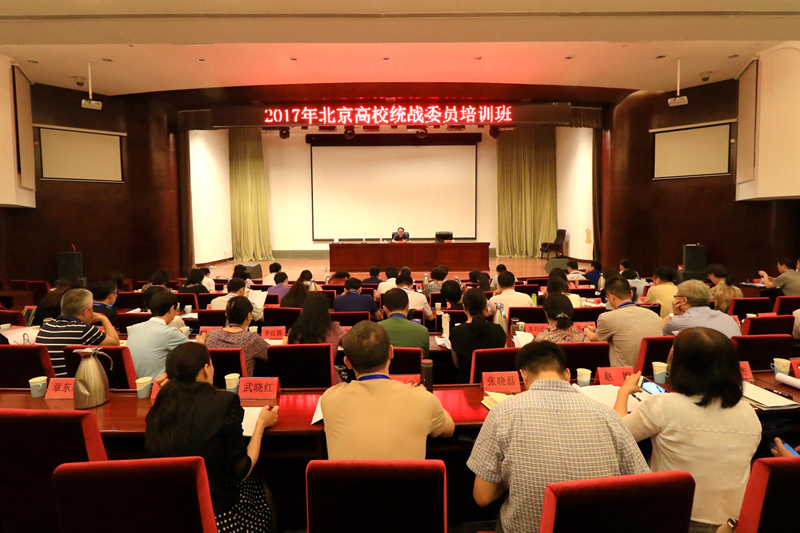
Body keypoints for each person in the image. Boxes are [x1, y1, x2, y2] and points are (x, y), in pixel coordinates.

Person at [468, 341, 649, 533]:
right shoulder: (608, 415)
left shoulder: (501, 413)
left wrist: (514, 478)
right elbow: (643, 487)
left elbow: (482, 497)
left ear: (524, 375)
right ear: (567, 374)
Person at [614, 328, 761, 533]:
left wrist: (623, 392)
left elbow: (617, 433)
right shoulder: (748, 412)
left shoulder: (663, 405)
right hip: (734, 523)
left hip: (675, 519)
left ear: (680, 366)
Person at [145, 343, 278, 532]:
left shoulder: (159, 408)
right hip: (218, 517)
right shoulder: (223, 403)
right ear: (206, 369)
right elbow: (242, 471)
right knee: (259, 484)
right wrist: (261, 424)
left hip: (172, 515)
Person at [319, 321, 454, 459]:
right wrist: (424, 394)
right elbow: (449, 429)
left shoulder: (329, 398)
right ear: (391, 352)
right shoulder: (423, 399)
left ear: (347, 362)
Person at [35, 288, 120, 376]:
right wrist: (104, 318)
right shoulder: (84, 329)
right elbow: (115, 343)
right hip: (73, 382)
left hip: (49, 382)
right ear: (86, 312)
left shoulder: (46, 327)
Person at [584, 277, 662, 367]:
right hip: (652, 371)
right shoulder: (654, 315)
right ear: (631, 293)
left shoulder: (606, 317)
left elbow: (594, 339)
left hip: (624, 373)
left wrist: (586, 329)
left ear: (611, 296)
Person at [128, 290, 200, 379]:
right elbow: (195, 352)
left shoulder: (133, 328)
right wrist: (201, 341)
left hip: (133, 382)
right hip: (158, 383)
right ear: (172, 309)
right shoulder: (169, 332)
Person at [449, 289, 507, 383]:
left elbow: (457, 364)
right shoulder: (498, 330)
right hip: (493, 382)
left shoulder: (456, 331)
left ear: (464, 308)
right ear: (485, 307)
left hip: (466, 383)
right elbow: (503, 360)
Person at [205, 296, 269, 376]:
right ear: (249, 316)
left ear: (226, 314)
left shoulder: (212, 335)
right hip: (242, 383)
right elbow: (273, 355)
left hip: (214, 383)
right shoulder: (252, 338)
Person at [662, 280, 741, 338]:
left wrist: (672, 314)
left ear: (684, 300)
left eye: (676, 297)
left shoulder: (676, 323)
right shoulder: (728, 319)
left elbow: (657, 335)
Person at [378, 288, 430, 358]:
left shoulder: (375, 330)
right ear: (407, 307)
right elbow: (425, 358)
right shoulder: (423, 331)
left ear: (385, 309)